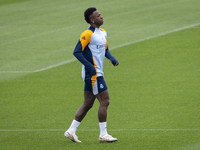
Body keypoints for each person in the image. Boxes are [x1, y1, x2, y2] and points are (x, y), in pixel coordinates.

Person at [64, 7, 119, 143]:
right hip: (93, 74)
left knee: (88, 103)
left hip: (96, 72)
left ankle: (71, 131)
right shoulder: (87, 34)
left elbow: (104, 49)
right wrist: (90, 67)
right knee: (105, 101)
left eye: (101, 14)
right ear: (92, 19)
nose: (101, 17)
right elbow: (77, 51)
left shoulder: (103, 33)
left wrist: (111, 58)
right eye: (98, 15)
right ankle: (103, 134)